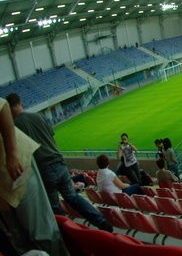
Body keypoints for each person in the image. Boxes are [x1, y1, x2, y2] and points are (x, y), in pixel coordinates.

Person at [6, 93, 112, 232]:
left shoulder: (14, 127)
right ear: (21, 104)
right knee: (73, 197)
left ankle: (70, 232)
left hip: (43, 170)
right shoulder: (38, 116)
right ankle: (101, 221)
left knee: (55, 206)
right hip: (59, 163)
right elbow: (51, 138)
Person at [0, 96, 71, 256]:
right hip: (5, 184)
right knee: (20, 236)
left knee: (41, 229)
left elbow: (2, 106)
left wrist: (12, 155)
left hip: (14, 171)